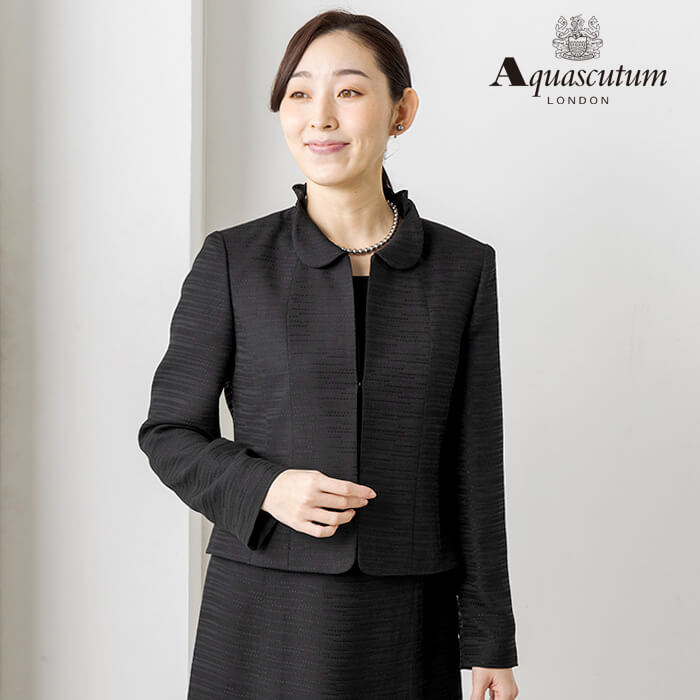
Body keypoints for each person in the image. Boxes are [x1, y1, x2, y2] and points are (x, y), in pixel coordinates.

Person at [138, 9, 519, 700]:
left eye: (348, 91)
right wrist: (266, 487)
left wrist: (490, 640)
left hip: (408, 618)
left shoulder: (463, 268)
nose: (320, 117)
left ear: (402, 111)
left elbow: (474, 466)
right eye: (298, 93)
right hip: (261, 610)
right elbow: (169, 433)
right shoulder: (233, 260)